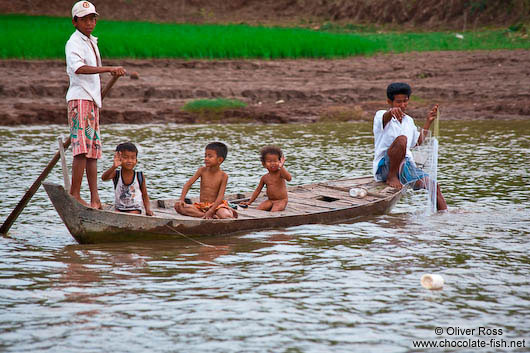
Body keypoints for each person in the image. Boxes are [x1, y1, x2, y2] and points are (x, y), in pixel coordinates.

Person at [65, 1, 126, 208]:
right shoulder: (74, 42)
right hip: (80, 99)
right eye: (84, 19)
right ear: (75, 22)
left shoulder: (91, 41)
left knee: (92, 151)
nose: (89, 23)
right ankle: (74, 193)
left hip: (92, 101)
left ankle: (95, 198)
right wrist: (108, 69)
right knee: (81, 150)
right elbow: (79, 68)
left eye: (92, 19)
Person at [372, 82, 447, 211]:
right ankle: (392, 177)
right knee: (402, 140)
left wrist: (428, 121)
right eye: (398, 102)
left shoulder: (408, 121)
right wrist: (391, 113)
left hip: (405, 165)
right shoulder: (381, 115)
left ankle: (444, 215)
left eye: (405, 101)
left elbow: (416, 143)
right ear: (389, 102)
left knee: (433, 185)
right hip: (385, 167)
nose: (402, 105)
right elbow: (385, 117)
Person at [174, 142, 237, 219]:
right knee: (178, 206)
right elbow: (188, 184)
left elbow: (220, 197)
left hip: (216, 206)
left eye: (210, 156)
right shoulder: (202, 170)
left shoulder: (223, 176)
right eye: (205, 156)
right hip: (202, 206)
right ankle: (207, 216)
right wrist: (182, 199)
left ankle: (224, 211)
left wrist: (211, 210)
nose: (206, 158)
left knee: (225, 216)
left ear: (219, 160)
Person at [101, 142, 154, 216]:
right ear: (119, 158)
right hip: (119, 208)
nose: (129, 161)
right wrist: (114, 166)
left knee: (132, 215)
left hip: (134, 208)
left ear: (136, 160)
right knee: (116, 215)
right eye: (125, 157)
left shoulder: (139, 176)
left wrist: (148, 210)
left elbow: (144, 195)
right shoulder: (116, 174)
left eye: (133, 158)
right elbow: (104, 178)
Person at [240, 145, 292, 212]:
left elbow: (289, 178)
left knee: (274, 211)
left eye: (275, 161)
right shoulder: (265, 178)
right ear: (264, 164)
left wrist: (281, 167)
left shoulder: (280, 173)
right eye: (269, 161)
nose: (272, 163)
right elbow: (257, 191)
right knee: (258, 210)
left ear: (279, 162)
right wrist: (250, 202)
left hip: (281, 200)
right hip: (270, 200)